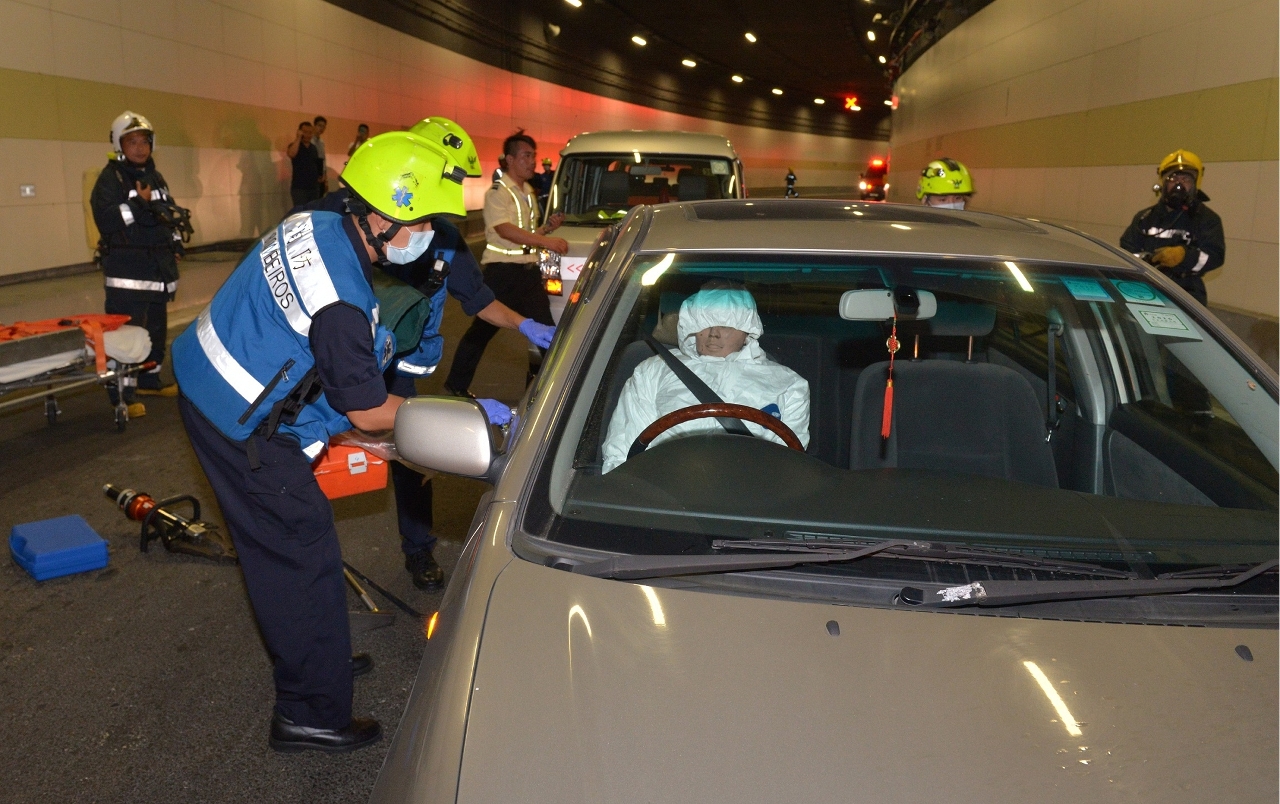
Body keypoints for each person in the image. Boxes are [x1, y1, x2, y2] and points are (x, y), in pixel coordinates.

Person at [171, 131, 476, 754]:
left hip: (207, 378)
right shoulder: (342, 301)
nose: (426, 239)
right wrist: (458, 420)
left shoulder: (315, 221)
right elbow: (366, 410)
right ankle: (310, 712)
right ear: (383, 215)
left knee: (288, 553)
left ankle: (320, 660)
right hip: (240, 426)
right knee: (298, 557)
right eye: (420, 224)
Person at [294, 116, 552, 591]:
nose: (449, 196)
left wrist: (525, 325)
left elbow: (478, 299)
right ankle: (306, 563)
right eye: (447, 179)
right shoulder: (341, 216)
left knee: (412, 455)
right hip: (327, 356)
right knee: (308, 449)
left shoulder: (444, 238)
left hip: (394, 367)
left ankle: (418, 549)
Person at [602, 284, 811, 473]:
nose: (713, 334)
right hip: (666, 489)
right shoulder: (654, 371)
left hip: (749, 494)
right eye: (704, 325)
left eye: (726, 326)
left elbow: (788, 467)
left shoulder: (788, 384)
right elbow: (623, 447)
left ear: (747, 331)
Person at [443, 130, 569, 397]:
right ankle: (456, 385)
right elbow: (505, 230)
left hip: (528, 271)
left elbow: (525, 234)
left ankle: (557, 385)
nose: (532, 161)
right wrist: (546, 242)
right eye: (526, 155)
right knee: (482, 330)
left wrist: (545, 229)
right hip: (503, 273)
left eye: (533, 156)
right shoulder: (497, 193)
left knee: (546, 325)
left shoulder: (527, 192)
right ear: (509, 160)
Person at [90, 110, 186, 412]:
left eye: (144, 141)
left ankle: (149, 380)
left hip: (157, 270)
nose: (140, 148)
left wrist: (175, 243)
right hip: (127, 273)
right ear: (120, 145)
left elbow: (166, 214)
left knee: (156, 329)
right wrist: (137, 203)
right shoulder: (110, 179)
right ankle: (123, 394)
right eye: (132, 142)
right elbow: (106, 221)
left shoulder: (154, 177)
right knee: (126, 335)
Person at [1120, 150, 1224, 306]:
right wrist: (1146, 259)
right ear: (1163, 182)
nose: (1178, 184)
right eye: (1172, 178)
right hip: (1145, 289)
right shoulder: (1145, 218)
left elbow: (1215, 257)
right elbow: (1125, 251)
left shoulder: (1207, 219)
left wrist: (1184, 256)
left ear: (1196, 183)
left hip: (1187, 292)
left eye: (1185, 179)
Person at [286, 121, 319, 207]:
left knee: (312, 212)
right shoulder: (294, 145)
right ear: (299, 132)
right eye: (305, 132)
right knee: (300, 213)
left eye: (310, 133)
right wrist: (298, 138)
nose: (308, 135)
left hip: (313, 188)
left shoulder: (313, 148)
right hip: (299, 188)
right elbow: (291, 154)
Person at [312, 116, 328, 196]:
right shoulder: (310, 140)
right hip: (312, 173)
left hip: (321, 173)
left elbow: (323, 160)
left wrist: (325, 178)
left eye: (323, 126)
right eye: (319, 125)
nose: (321, 128)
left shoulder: (322, 142)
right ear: (314, 126)